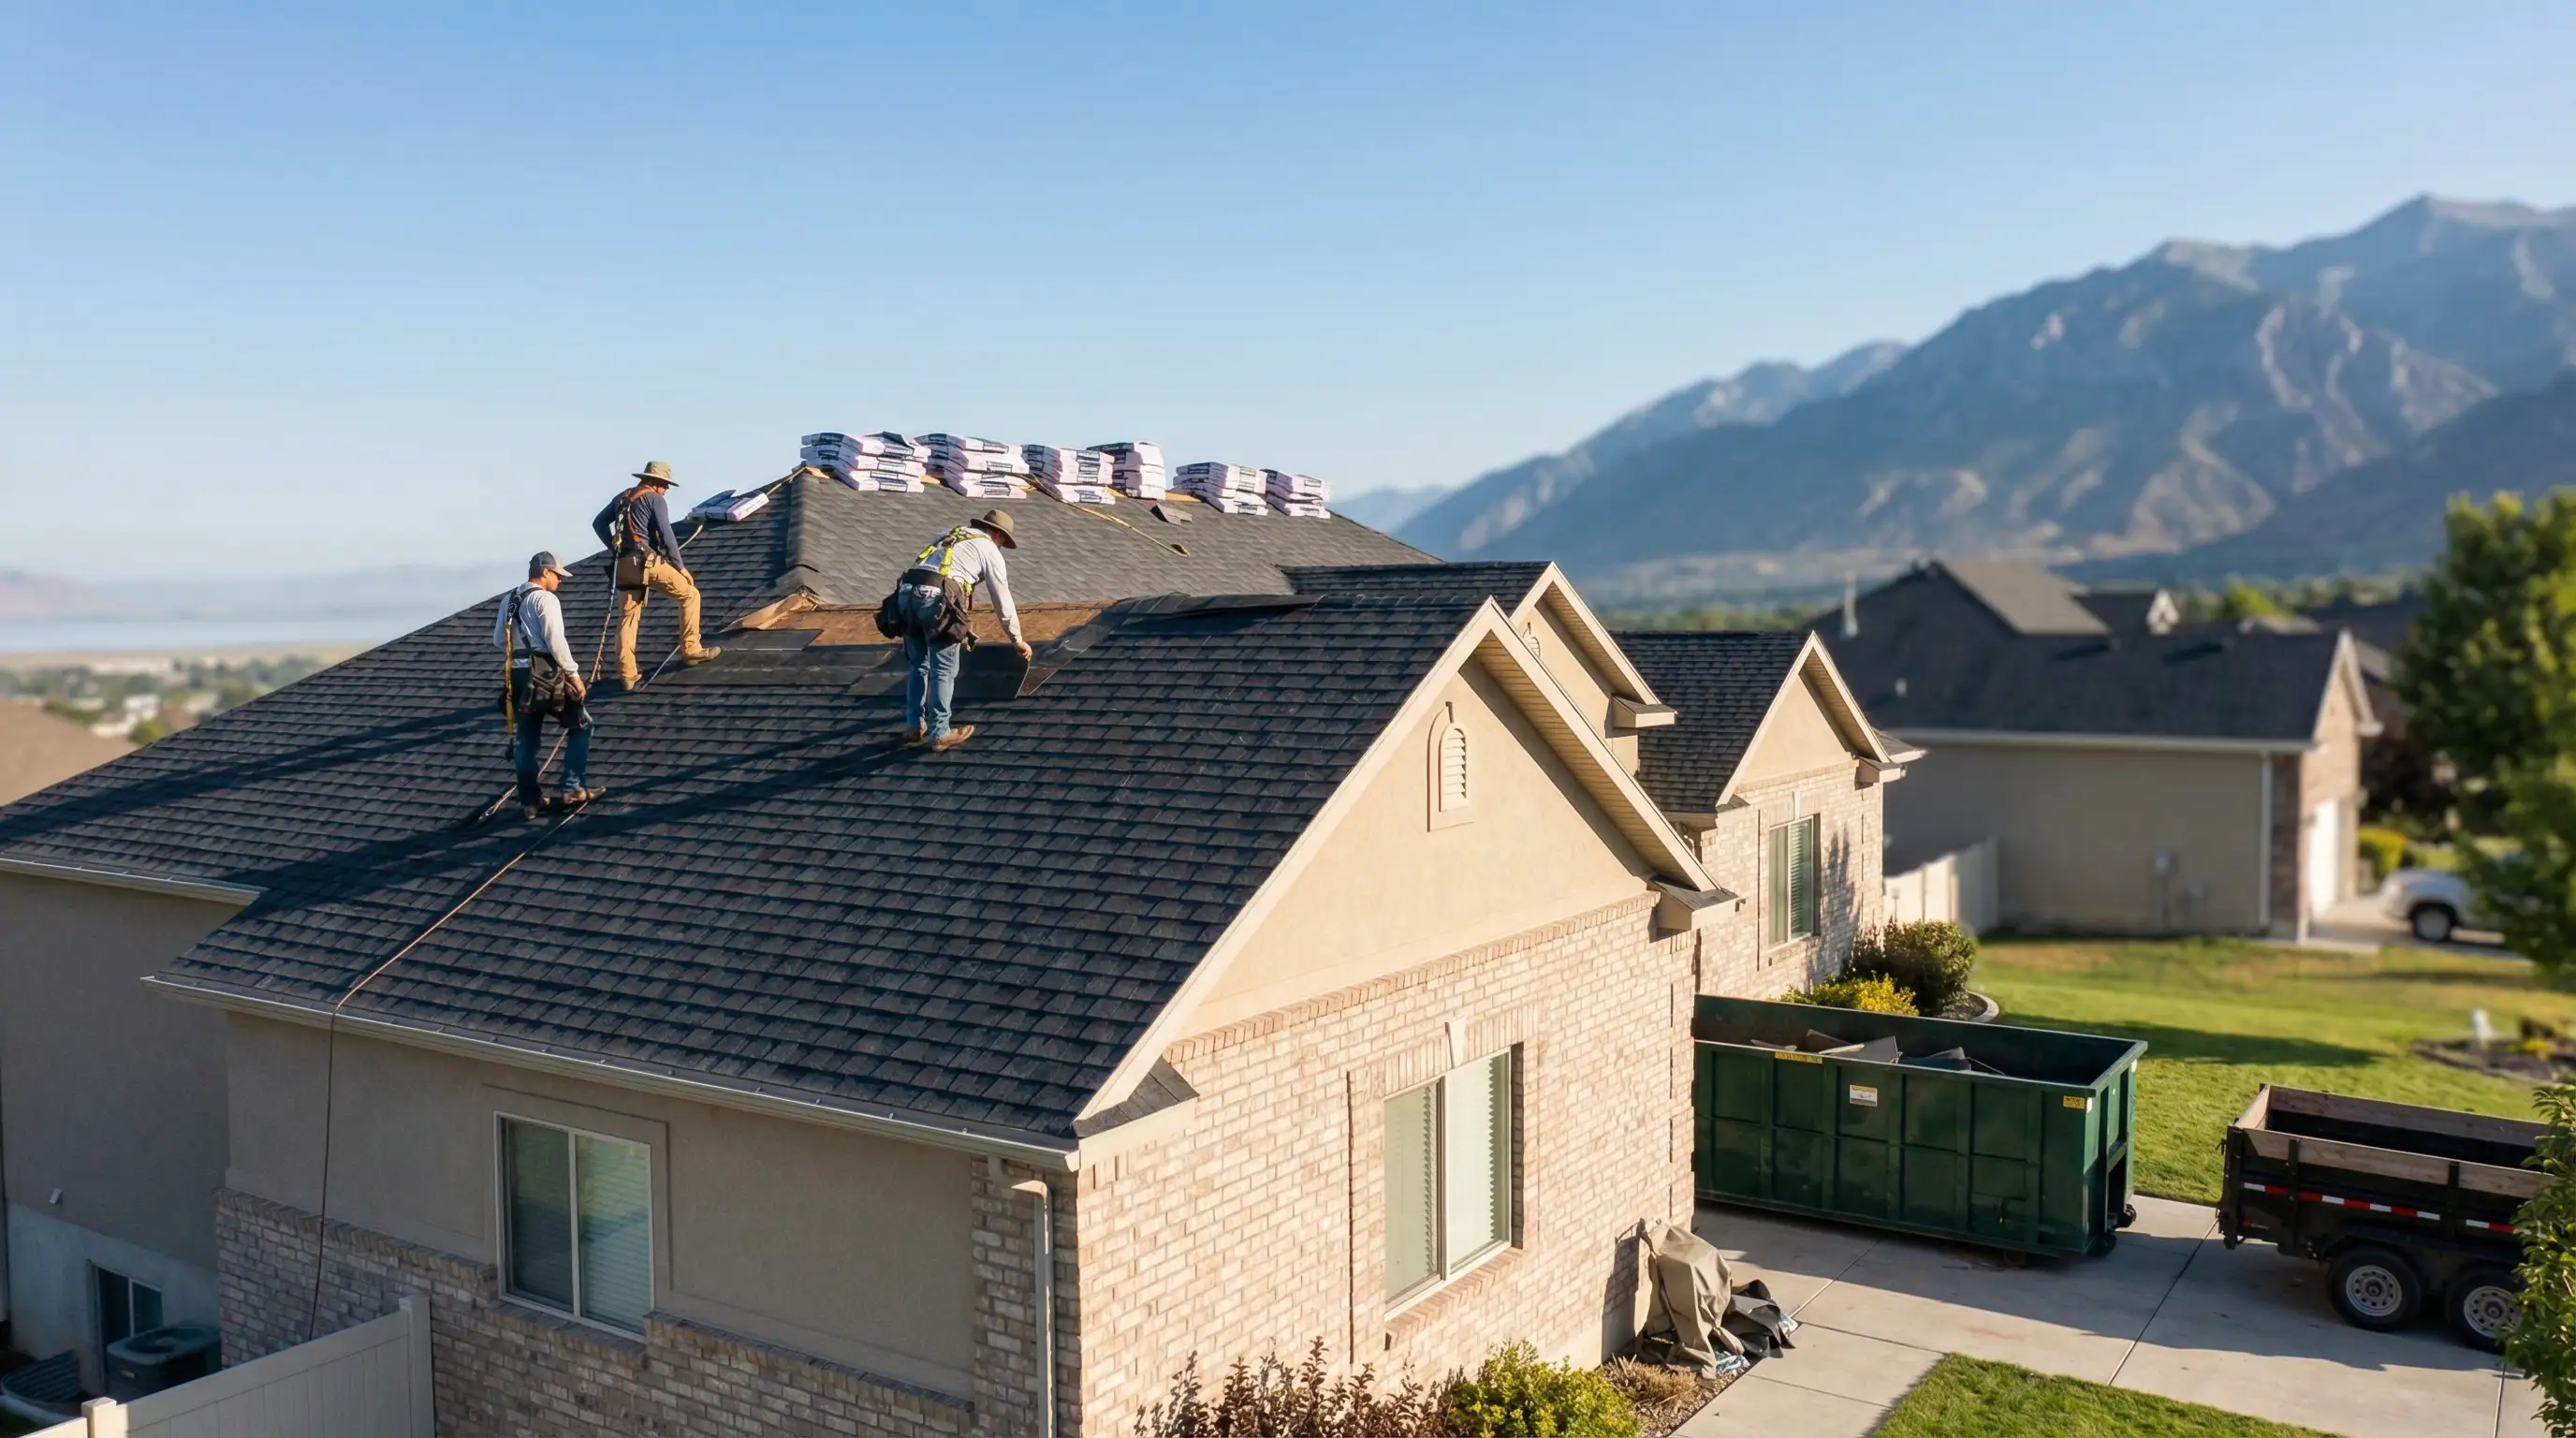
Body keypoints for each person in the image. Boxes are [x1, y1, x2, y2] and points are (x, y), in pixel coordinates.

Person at [895, 509, 1032, 751]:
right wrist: (1017, 639)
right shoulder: (989, 550)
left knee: (919, 664)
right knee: (944, 668)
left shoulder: (948, 535)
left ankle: (914, 727)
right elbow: (1002, 599)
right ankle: (940, 732)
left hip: (906, 594)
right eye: (1002, 541)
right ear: (996, 533)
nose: (1001, 547)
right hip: (936, 598)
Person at [591, 460, 721, 690]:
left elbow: (599, 523)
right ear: (654, 482)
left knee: (628, 618)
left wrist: (613, 547)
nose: (666, 490)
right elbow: (666, 533)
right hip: (646, 561)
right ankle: (691, 650)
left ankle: (628, 674)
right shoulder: (654, 499)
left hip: (623, 564)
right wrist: (679, 566)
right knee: (690, 595)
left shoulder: (622, 497)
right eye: (664, 485)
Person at [493, 551, 601, 819]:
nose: (560, 581)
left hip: (517, 678)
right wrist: (574, 676)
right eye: (557, 575)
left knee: (526, 741)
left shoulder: (508, 599)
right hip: (544, 675)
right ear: (545, 573)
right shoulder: (545, 599)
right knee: (582, 725)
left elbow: (499, 640)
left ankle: (530, 801)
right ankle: (573, 788)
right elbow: (556, 642)